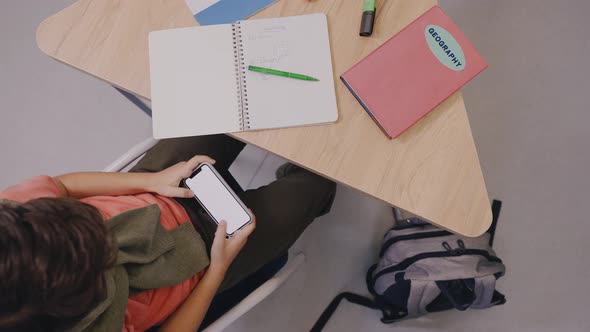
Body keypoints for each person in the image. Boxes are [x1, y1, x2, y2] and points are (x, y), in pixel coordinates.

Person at [0, 135, 336, 332]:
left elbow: (62, 185)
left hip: (152, 189)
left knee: (224, 100)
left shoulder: (12, 223)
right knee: (318, 182)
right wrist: (217, 271)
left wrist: (150, 181)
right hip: (208, 261)